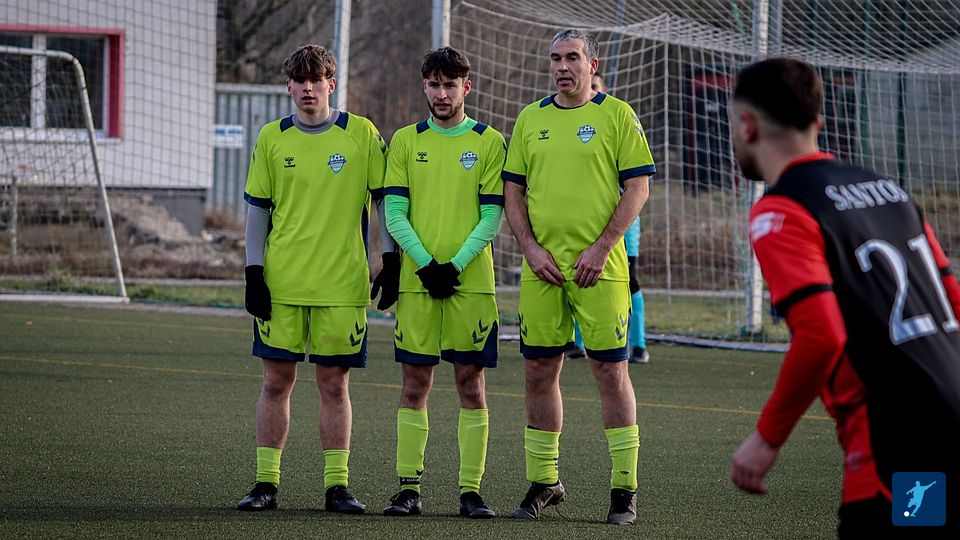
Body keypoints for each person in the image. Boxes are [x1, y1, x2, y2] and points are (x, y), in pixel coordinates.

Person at [728, 57, 960, 536]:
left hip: (899, 434)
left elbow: (822, 334)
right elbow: (952, 300)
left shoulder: (782, 210)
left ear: (747, 125)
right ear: (818, 122)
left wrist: (767, 438)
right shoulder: (888, 190)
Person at [502, 30, 655, 525]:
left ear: (593, 64)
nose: (562, 67)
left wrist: (603, 247)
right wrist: (530, 248)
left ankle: (624, 490)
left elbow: (638, 187)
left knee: (611, 373)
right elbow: (513, 192)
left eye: (572, 58)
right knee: (538, 372)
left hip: (600, 270)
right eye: (555, 58)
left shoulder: (618, 115)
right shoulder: (530, 118)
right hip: (542, 270)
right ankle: (544, 481)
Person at [237, 44, 395, 514]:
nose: (309, 88)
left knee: (333, 384)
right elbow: (257, 211)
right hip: (282, 283)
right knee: (275, 382)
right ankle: (265, 484)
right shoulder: (272, 137)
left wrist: (390, 259)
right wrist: (253, 271)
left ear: (331, 83)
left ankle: (337, 487)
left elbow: (384, 201)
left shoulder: (361, 133)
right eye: (300, 81)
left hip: (341, 285)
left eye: (316, 80)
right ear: (288, 86)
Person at [379, 46, 505, 519]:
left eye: (450, 85)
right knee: (415, 384)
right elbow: (394, 212)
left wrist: (453, 265)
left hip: (471, 284)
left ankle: (471, 492)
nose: (441, 94)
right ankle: (408, 489)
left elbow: (492, 216)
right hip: (418, 284)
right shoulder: (404, 141)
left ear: (466, 87)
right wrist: (426, 264)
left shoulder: (489, 141)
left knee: (471, 385)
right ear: (424, 87)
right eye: (434, 85)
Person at [568, 74, 650, 365]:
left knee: (630, 281)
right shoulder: (566, 125)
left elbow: (637, 185)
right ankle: (578, 342)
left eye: (595, 86)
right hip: (582, 225)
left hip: (621, 228)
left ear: (602, 90)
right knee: (577, 273)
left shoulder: (616, 121)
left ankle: (638, 344)